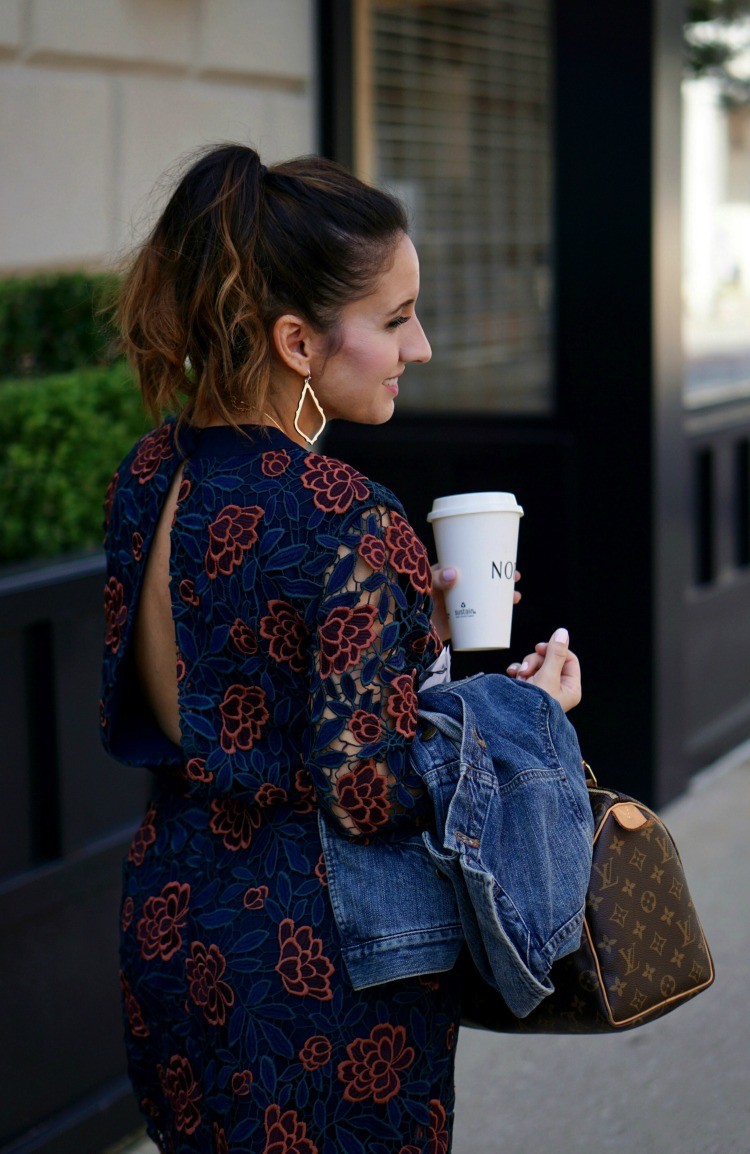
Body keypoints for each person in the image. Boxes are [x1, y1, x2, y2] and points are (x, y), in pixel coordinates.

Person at [101, 143, 581, 1154]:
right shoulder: (353, 516)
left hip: (172, 918)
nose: (423, 347)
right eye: (397, 318)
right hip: (315, 959)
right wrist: (528, 710)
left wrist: (413, 632)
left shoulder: (150, 474)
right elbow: (368, 791)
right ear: (297, 340)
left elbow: (231, 669)